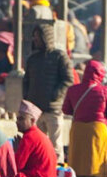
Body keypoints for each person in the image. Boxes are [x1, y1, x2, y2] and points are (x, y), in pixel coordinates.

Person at [63, 60, 107, 177]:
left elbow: (66, 109)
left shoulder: (72, 90)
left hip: (78, 130)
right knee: (95, 166)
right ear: (100, 74)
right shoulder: (104, 91)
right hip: (97, 131)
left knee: (77, 163)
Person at [24, 24, 74, 162]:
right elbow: (26, 81)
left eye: (38, 37)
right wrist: (27, 98)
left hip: (53, 110)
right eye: (34, 37)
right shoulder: (32, 59)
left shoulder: (59, 57)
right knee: (37, 145)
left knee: (55, 146)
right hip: (35, 110)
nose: (35, 40)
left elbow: (68, 80)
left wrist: (55, 95)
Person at [7, 100, 57, 177]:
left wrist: (15, 151)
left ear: (32, 120)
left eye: (21, 119)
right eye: (17, 119)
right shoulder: (37, 135)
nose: (17, 122)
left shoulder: (30, 137)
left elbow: (16, 167)